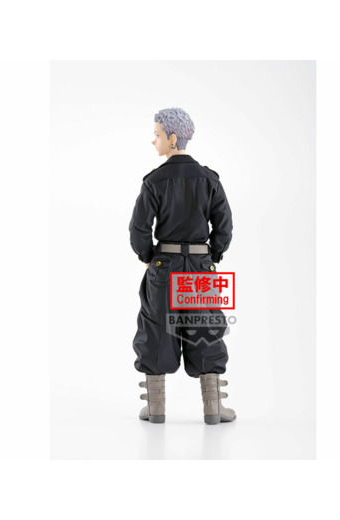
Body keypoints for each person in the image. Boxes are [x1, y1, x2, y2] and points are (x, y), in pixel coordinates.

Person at [129, 107, 236, 425]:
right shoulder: (209, 179)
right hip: (200, 266)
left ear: (173, 138)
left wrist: (148, 257)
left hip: (164, 265)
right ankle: (213, 408)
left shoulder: (155, 180)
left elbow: (138, 229)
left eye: (157, 135)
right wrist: (211, 256)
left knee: (156, 329)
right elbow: (224, 226)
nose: (154, 141)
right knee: (205, 328)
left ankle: (156, 409)